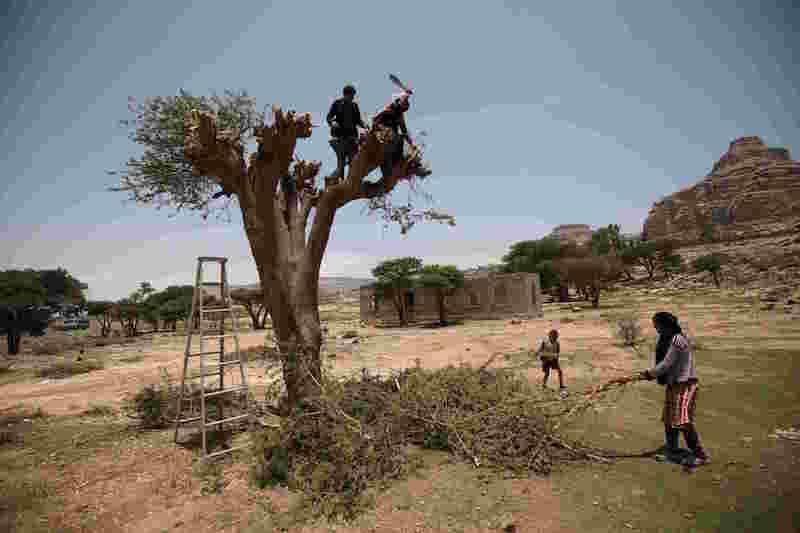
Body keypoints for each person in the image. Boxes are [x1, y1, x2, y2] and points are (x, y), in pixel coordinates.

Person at [640, 312, 710, 467]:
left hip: (685, 385)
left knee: (682, 420)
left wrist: (648, 374)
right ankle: (672, 450)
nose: (656, 329)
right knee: (669, 419)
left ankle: (700, 455)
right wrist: (650, 374)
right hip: (674, 385)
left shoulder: (678, 340)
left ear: (666, 325)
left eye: (657, 326)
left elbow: (666, 364)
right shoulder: (668, 339)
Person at [326, 84, 369, 179]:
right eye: (352, 95)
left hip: (352, 138)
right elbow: (329, 117)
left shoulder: (354, 105)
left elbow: (358, 120)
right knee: (341, 163)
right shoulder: (337, 103)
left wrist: (365, 126)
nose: (353, 97)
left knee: (354, 163)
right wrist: (332, 123)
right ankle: (340, 181)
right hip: (340, 138)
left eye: (353, 95)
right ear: (346, 94)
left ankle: (351, 182)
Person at [372, 91, 413, 177]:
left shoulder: (400, 115)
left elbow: (404, 130)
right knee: (396, 139)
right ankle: (394, 162)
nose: (402, 111)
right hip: (382, 132)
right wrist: (379, 128)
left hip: (391, 135)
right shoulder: (388, 109)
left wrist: (411, 143)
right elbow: (375, 119)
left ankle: (397, 162)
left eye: (404, 110)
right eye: (402, 109)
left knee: (399, 140)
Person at [536, 329, 567, 393]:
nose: (555, 338)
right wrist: (537, 353)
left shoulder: (557, 343)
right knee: (547, 373)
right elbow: (540, 349)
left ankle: (561, 385)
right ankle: (543, 385)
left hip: (553, 360)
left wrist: (556, 360)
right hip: (546, 360)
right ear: (550, 336)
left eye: (556, 336)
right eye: (554, 336)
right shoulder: (545, 342)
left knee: (560, 371)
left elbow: (557, 352)